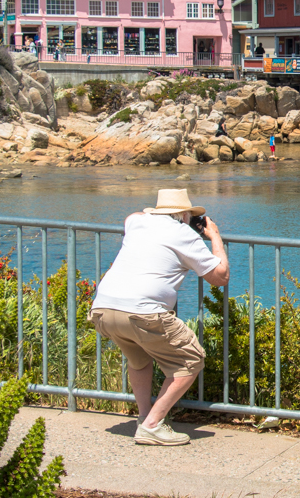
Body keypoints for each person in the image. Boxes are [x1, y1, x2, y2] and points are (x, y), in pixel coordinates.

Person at [89, 189, 230, 446]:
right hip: (142, 312)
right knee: (191, 359)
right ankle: (152, 425)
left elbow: (132, 215)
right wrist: (215, 237)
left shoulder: (137, 222)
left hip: (103, 310)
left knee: (139, 360)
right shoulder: (184, 234)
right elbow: (219, 277)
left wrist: (152, 213)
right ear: (185, 215)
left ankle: (143, 417)